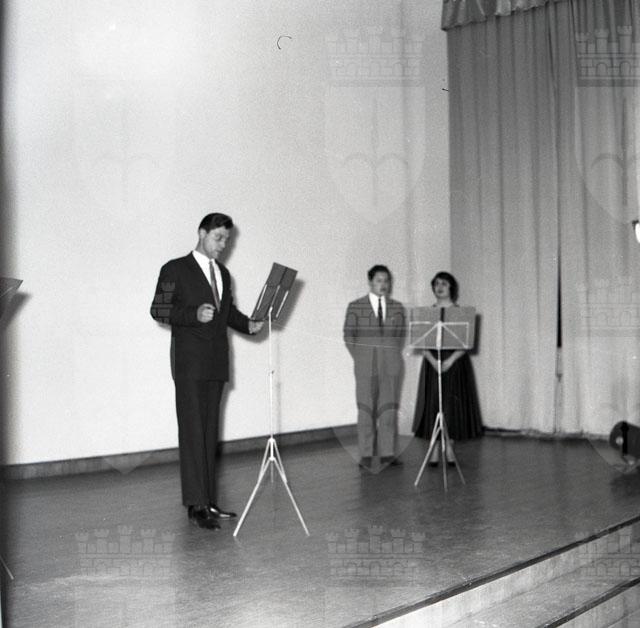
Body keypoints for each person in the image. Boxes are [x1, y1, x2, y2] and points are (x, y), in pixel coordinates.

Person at [150, 213, 264, 529]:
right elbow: (158, 309)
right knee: (192, 433)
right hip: (189, 363)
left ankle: (209, 501)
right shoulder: (174, 269)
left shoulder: (223, 274)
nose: (223, 245)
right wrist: (193, 314)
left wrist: (249, 325)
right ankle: (196, 505)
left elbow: (228, 314)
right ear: (201, 233)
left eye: (227, 239)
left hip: (216, 362)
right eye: (218, 238)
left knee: (209, 433)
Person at [412, 271, 483, 465]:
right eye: (436, 284)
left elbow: (465, 343)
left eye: (443, 283)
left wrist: (450, 361)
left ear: (451, 287)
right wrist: (432, 361)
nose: (439, 287)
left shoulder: (460, 312)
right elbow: (422, 342)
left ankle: (449, 448)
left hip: (454, 363)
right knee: (434, 405)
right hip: (432, 364)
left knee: (451, 406)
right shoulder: (427, 313)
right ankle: (434, 449)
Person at [343, 265, 406, 470]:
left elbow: (399, 336)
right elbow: (349, 336)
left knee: (388, 410)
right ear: (370, 282)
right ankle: (366, 454)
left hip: (390, 366)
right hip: (365, 366)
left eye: (386, 280)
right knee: (365, 410)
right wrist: (362, 357)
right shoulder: (355, 306)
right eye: (379, 280)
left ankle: (388, 453)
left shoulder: (397, 308)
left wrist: (390, 356)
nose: (383, 284)